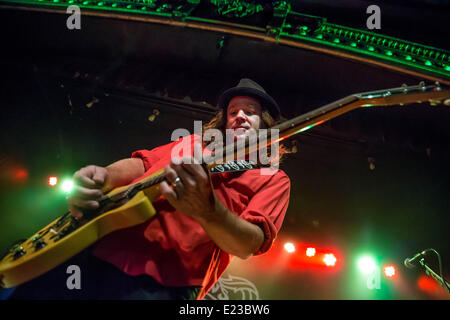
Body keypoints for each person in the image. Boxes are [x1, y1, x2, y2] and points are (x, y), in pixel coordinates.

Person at [7, 78, 291, 300]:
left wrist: (209, 212)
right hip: (96, 249)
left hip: (163, 283)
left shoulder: (273, 178)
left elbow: (249, 244)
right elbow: (144, 165)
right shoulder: (191, 143)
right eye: (233, 111)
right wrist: (104, 175)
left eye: (250, 112)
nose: (239, 116)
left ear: (265, 123)